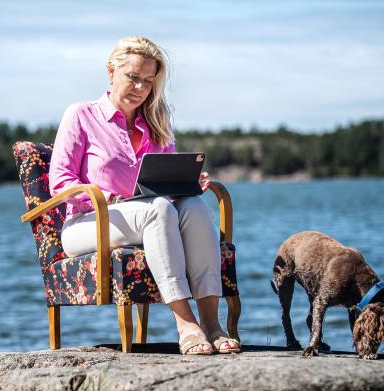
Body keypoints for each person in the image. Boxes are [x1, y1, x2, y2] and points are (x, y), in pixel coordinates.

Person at [48, 36, 240, 355]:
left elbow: (163, 187)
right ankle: (185, 323)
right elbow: (61, 182)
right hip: (87, 222)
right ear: (112, 71)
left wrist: (186, 184)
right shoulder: (81, 115)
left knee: (193, 205)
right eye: (133, 77)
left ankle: (211, 322)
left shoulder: (156, 122)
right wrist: (108, 197)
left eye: (148, 81)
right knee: (158, 209)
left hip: (146, 215)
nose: (140, 87)